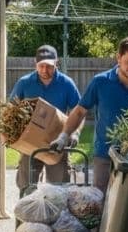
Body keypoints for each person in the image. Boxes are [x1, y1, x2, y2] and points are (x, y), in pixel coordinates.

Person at [51, 36, 128, 193]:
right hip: (104, 153)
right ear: (118, 57)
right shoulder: (100, 82)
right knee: (100, 199)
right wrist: (64, 135)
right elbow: (81, 110)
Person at [9, 45, 81, 192]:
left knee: (58, 188)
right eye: (41, 66)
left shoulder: (66, 83)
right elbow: (11, 109)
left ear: (56, 63)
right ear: (35, 63)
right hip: (30, 142)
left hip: (57, 141)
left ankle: (56, 214)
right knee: (27, 186)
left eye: (49, 66)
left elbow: (78, 111)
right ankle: (26, 214)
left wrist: (75, 133)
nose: (44, 70)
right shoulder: (24, 83)